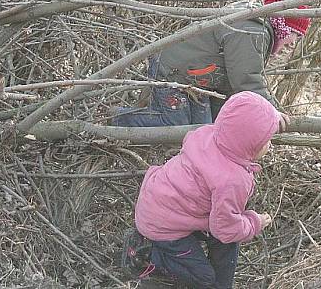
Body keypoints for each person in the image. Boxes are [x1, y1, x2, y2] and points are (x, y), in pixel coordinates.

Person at [121, 91, 282, 288]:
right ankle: (149, 258)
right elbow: (225, 229)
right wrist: (254, 223)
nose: (270, 144)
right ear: (250, 142)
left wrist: (273, 117)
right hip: (161, 226)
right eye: (266, 139)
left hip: (161, 200)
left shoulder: (209, 133)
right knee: (204, 278)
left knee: (228, 241)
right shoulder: (232, 180)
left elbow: (241, 122)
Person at [113, 0, 311, 127]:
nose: (293, 43)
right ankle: (113, 121)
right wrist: (269, 111)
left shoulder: (257, 28)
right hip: (174, 73)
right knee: (173, 125)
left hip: (198, 82)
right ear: (283, 27)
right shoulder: (252, 31)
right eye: (295, 35)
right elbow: (246, 80)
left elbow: (230, 83)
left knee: (203, 130)